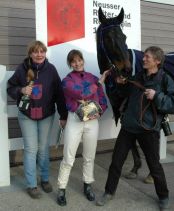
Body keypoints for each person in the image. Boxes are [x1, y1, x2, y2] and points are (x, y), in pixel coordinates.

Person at [96, 46, 174, 210]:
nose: (144, 59)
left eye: (147, 57)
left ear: (157, 61)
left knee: (154, 165)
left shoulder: (165, 79)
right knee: (116, 162)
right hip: (129, 126)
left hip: (148, 130)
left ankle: (163, 196)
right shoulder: (138, 76)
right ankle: (109, 192)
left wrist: (157, 96)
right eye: (144, 57)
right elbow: (125, 94)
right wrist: (121, 85)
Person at [7, 40, 68, 199]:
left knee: (43, 148)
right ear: (30, 53)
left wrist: (63, 115)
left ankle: (45, 179)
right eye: (36, 51)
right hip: (27, 115)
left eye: (42, 51)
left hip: (46, 115)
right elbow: (10, 87)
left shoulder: (51, 70)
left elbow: (59, 94)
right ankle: (31, 184)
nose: (39, 54)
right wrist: (21, 89)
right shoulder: (22, 69)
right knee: (30, 149)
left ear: (45, 53)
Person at [56, 49, 108, 206]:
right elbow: (82, 93)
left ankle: (87, 185)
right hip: (75, 119)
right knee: (68, 157)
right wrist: (98, 83)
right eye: (73, 61)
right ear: (70, 64)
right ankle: (61, 188)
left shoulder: (91, 77)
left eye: (79, 60)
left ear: (83, 60)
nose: (77, 63)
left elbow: (102, 99)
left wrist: (100, 111)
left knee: (89, 156)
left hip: (92, 121)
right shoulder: (67, 80)